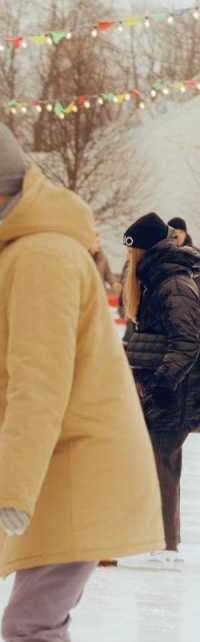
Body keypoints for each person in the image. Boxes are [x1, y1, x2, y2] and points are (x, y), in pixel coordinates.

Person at [0, 119, 163, 642]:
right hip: (59, 463)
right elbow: (6, 393)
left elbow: (41, 383)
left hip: (78, 463)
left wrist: (10, 487)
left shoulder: (40, 255)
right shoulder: (16, 252)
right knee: (42, 621)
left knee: (31, 623)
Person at [120, 212, 199, 569]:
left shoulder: (174, 284)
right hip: (159, 383)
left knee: (162, 461)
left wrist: (166, 382)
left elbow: (188, 339)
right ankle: (163, 540)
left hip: (176, 388)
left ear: (143, 249)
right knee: (158, 460)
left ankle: (166, 545)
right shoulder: (157, 280)